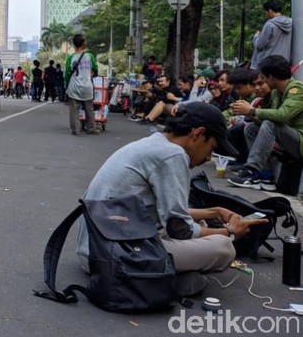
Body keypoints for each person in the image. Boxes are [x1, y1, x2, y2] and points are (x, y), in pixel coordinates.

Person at [76, 102, 267, 296]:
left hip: (96, 250)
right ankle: (163, 280)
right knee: (223, 248)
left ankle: (167, 275)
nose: (208, 158)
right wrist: (230, 232)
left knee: (200, 224)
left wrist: (214, 211)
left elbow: (160, 211)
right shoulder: (173, 155)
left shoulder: (154, 143)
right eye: (211, 148)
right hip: (115, 256)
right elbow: (179, 229)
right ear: (198, 134)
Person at [228, 56, 303, 191]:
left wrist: (252, 111)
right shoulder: (276, 92)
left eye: (263, 78)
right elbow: (272, 117)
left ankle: (251, 171)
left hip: (300, 141)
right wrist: (249, 114)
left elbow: (282, 115)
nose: (261, 81)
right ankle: (265, 175)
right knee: (251, 128)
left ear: (271, 76)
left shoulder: (296, 89)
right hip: (288, 139)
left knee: (269, 124)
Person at [64, 34, 99, 135]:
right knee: (89, 108)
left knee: (74, 110)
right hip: (87, 86)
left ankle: (76, 129)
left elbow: (67, 74)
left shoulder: (71, 58)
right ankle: (91, 127)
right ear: (84, 43)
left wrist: (66, 84)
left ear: (74, 45)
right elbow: (96, 70)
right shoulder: (90, 56)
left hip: (74, 87)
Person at [250, 0, 292, 69]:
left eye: (266, 12)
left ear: (270, 10)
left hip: (269, 63)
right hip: (283, 62)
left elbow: (260, 45)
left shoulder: (270, 24)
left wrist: (256, 37)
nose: (266, 14)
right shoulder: (290, 22)